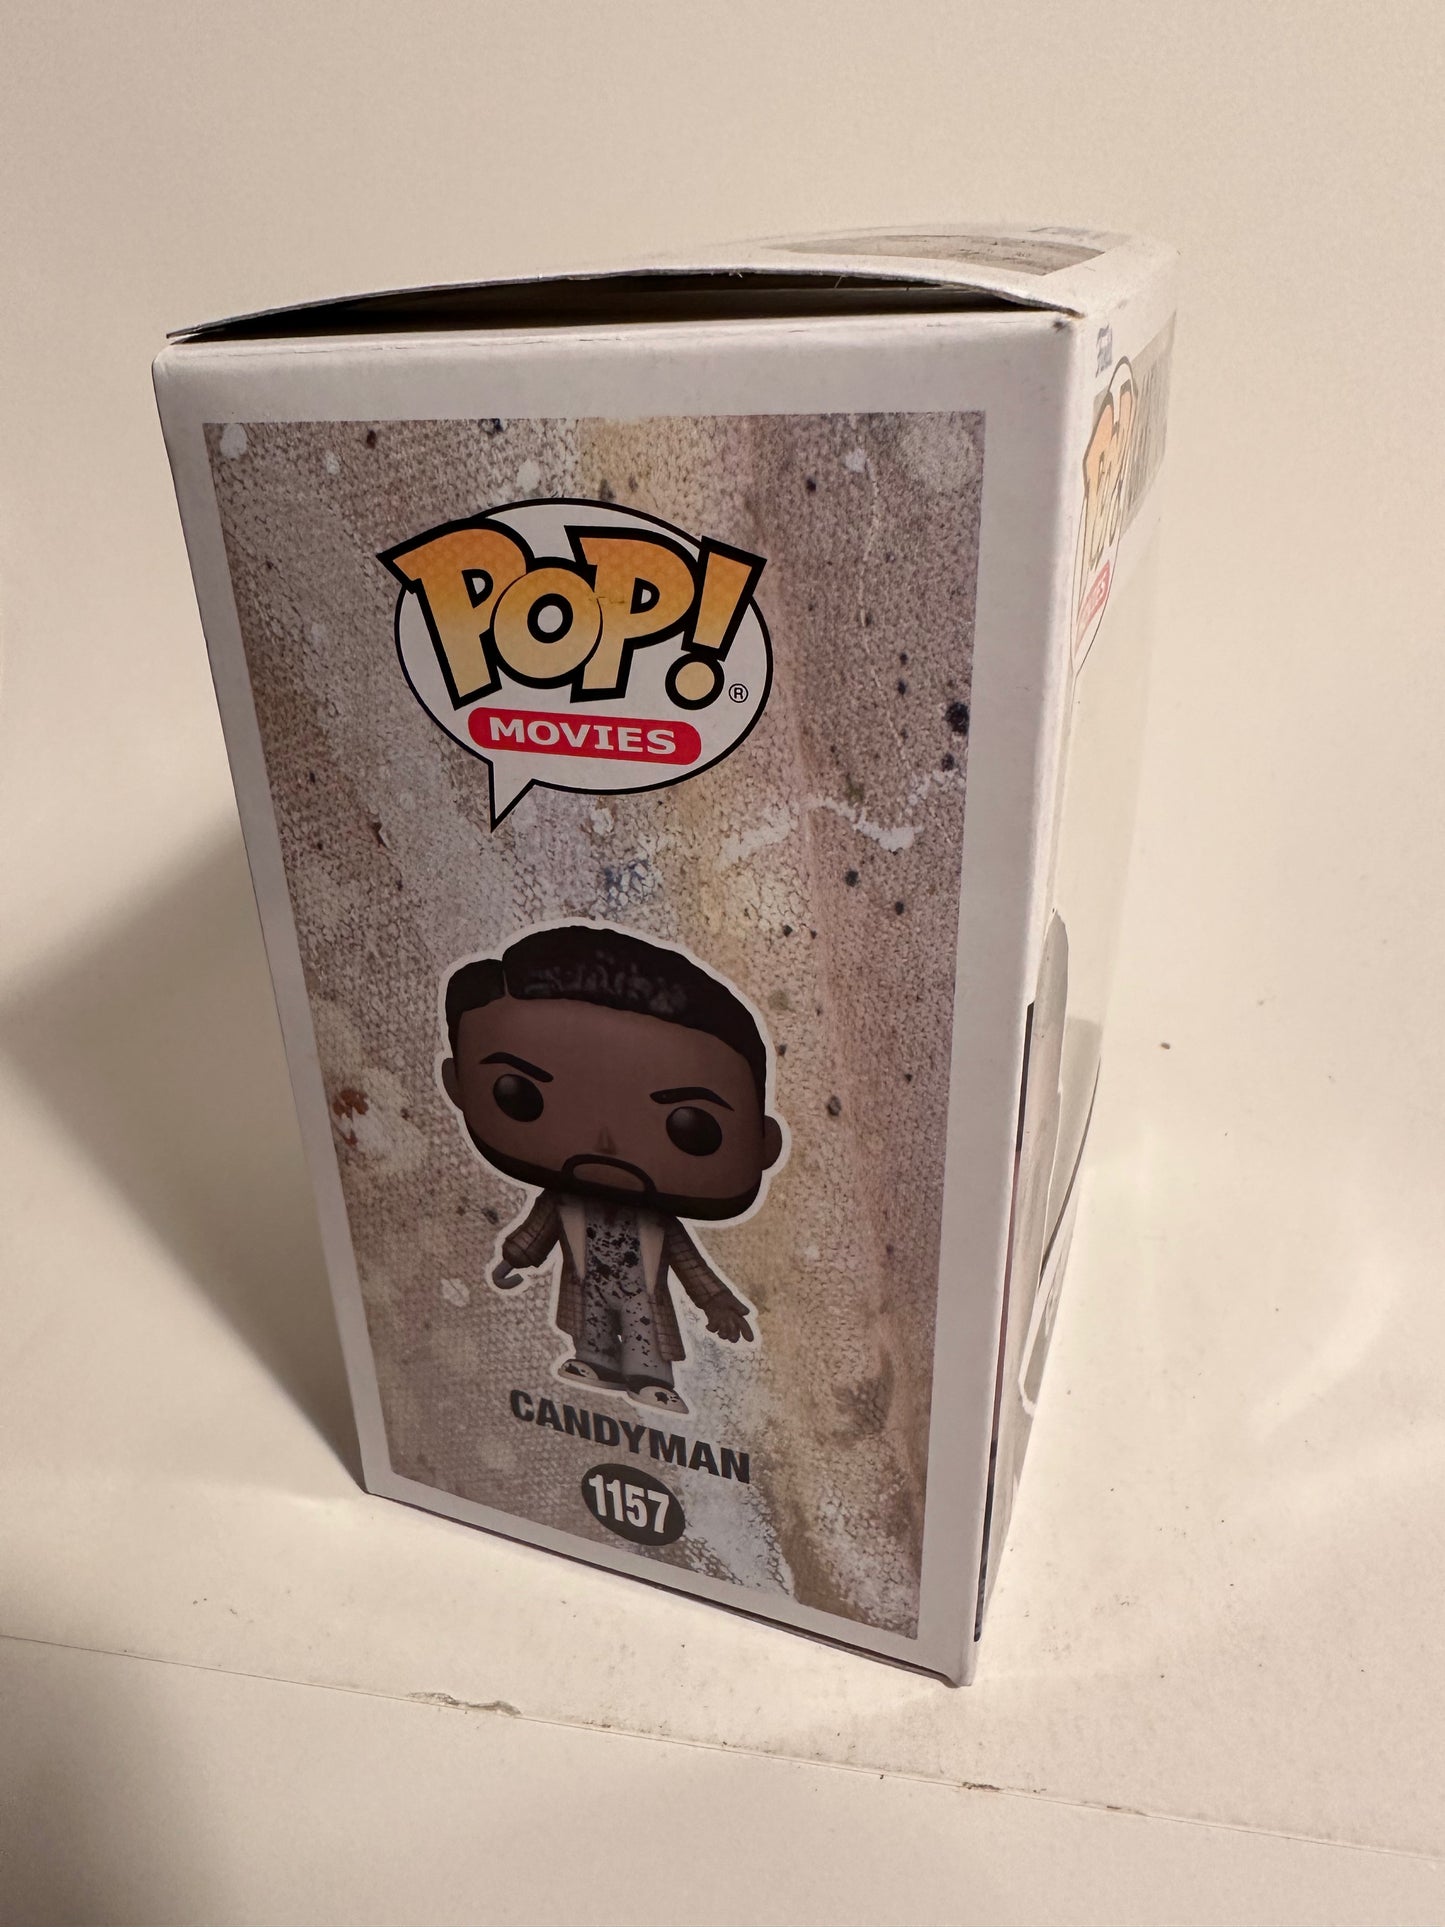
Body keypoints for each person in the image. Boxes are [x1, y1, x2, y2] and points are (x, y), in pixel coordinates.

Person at [441, 925, 785, 1415]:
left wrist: (716, 1300)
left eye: (692, 1127)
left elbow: (690, 1264)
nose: (604, 1144)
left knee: (645, 1332)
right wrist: (513, 1258)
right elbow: (537, 1232)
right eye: (519, 1094)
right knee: (592, 1325)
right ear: (457, 1085)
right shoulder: (564, 1201)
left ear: (764, 1144)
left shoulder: (658, 1223)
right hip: (588, 1283)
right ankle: (595, 1360)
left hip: (641, 1290)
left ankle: (651, 1378)